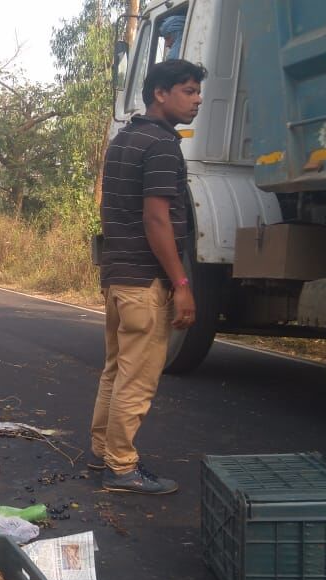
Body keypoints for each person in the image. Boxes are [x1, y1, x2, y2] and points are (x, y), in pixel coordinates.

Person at [89, 59, 204, 495]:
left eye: (196, 92)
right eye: (188, 91)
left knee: (115, 371)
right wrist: (181, 283)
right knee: (136, 380)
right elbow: (157, 220)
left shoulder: (124, 140)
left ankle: (103, 454)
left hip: (119, 276)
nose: (196, 100)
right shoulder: (160, 145)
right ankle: (122, 468)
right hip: (144, 282)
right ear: (160, 93)